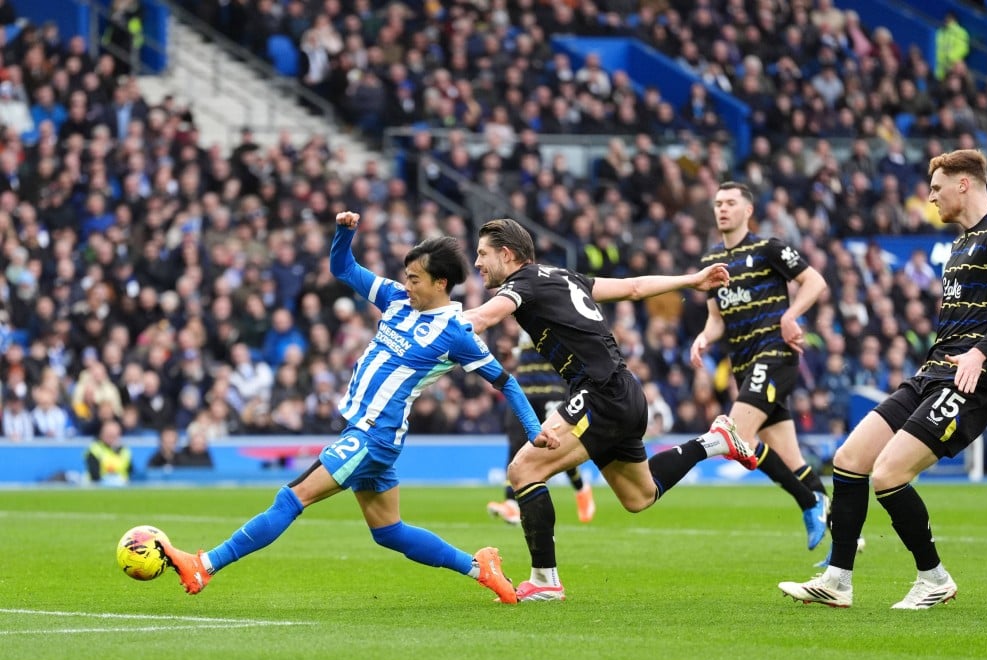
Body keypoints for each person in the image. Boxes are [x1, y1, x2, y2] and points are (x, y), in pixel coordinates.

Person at [159, 212, 560, 604]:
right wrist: (343, 233)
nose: (406, 285)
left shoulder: (456, 333)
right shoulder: (396, 300)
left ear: (441, 283)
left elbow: (504, 381)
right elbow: (344, 268)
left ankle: (204, 564)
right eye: (406, 277)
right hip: (368, 434)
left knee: (291, 499)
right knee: (388, 531)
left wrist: (531, 428)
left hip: (372, 435)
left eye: (415, 279)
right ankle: (480, 569)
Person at [465, 218, 754, 602]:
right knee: (639, 497)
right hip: (623, 393)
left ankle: (546, 581)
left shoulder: (523, 282)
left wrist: (424, 326)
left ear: (507, 254)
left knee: (524, 469)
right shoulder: (563, 275)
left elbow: (481, 318)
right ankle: (715, 441)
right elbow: (634, 288)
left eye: (483, 254)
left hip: (599, 393)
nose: (477, 262)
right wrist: (690, 280)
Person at [779, 149, 987, 609]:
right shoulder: (960, 243)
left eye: (936, 187)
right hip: (932, 372)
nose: (930, 198)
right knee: (850, 458)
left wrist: (980, 355)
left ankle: (934, 579)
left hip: (969, 382)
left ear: (963, 184)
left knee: (888, 474)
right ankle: (837, 580)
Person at [689, 182, 831, 552]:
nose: (722, 209)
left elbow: (814, 281)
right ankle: (840, 530)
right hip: (743, 365)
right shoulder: (710, 261)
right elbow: (716, 318)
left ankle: (809, 503)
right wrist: (704, 337)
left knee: (739, 438)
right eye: (718, 203)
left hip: (775, 355)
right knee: (791, 458)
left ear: (747, 210)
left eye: (730, 203)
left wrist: (791, 315)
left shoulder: (768, 247)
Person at [487, 329, 596, 525]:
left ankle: (581, 488)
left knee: (557, 446)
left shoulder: (550, 314)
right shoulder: (523, 324)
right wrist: (513, 354)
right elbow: (528, 352)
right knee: (515, 445)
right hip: (524, 393)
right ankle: (511, 503)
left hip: (551, 391)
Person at [85, 419, 132, 486]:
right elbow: (94, 475)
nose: (112, 437)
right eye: (109, 434)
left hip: (123, 487)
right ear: (102, 434)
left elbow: (131, 472)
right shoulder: (95, 449)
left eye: (114, 435)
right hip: (99, 487)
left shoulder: (125, 450)